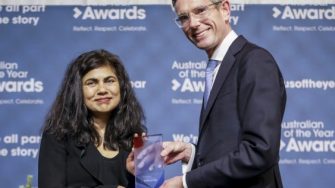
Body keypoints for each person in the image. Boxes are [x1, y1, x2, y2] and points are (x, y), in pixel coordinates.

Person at [160, 0, 286, 187]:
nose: (193, 23)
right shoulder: (218, 66)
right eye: (184, 17)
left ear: (225, 9)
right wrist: (190, 152)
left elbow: (260, 151)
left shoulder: (255, 61)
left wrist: (186, 182)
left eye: (200, 10)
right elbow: (225, 147)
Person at [38, 49, 146, 188]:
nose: (102, 89)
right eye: (91, 83)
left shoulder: (135, 136)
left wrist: (139, 177)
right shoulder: (58, 136)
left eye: (109, 81)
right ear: (77, 91)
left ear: (121, 86)